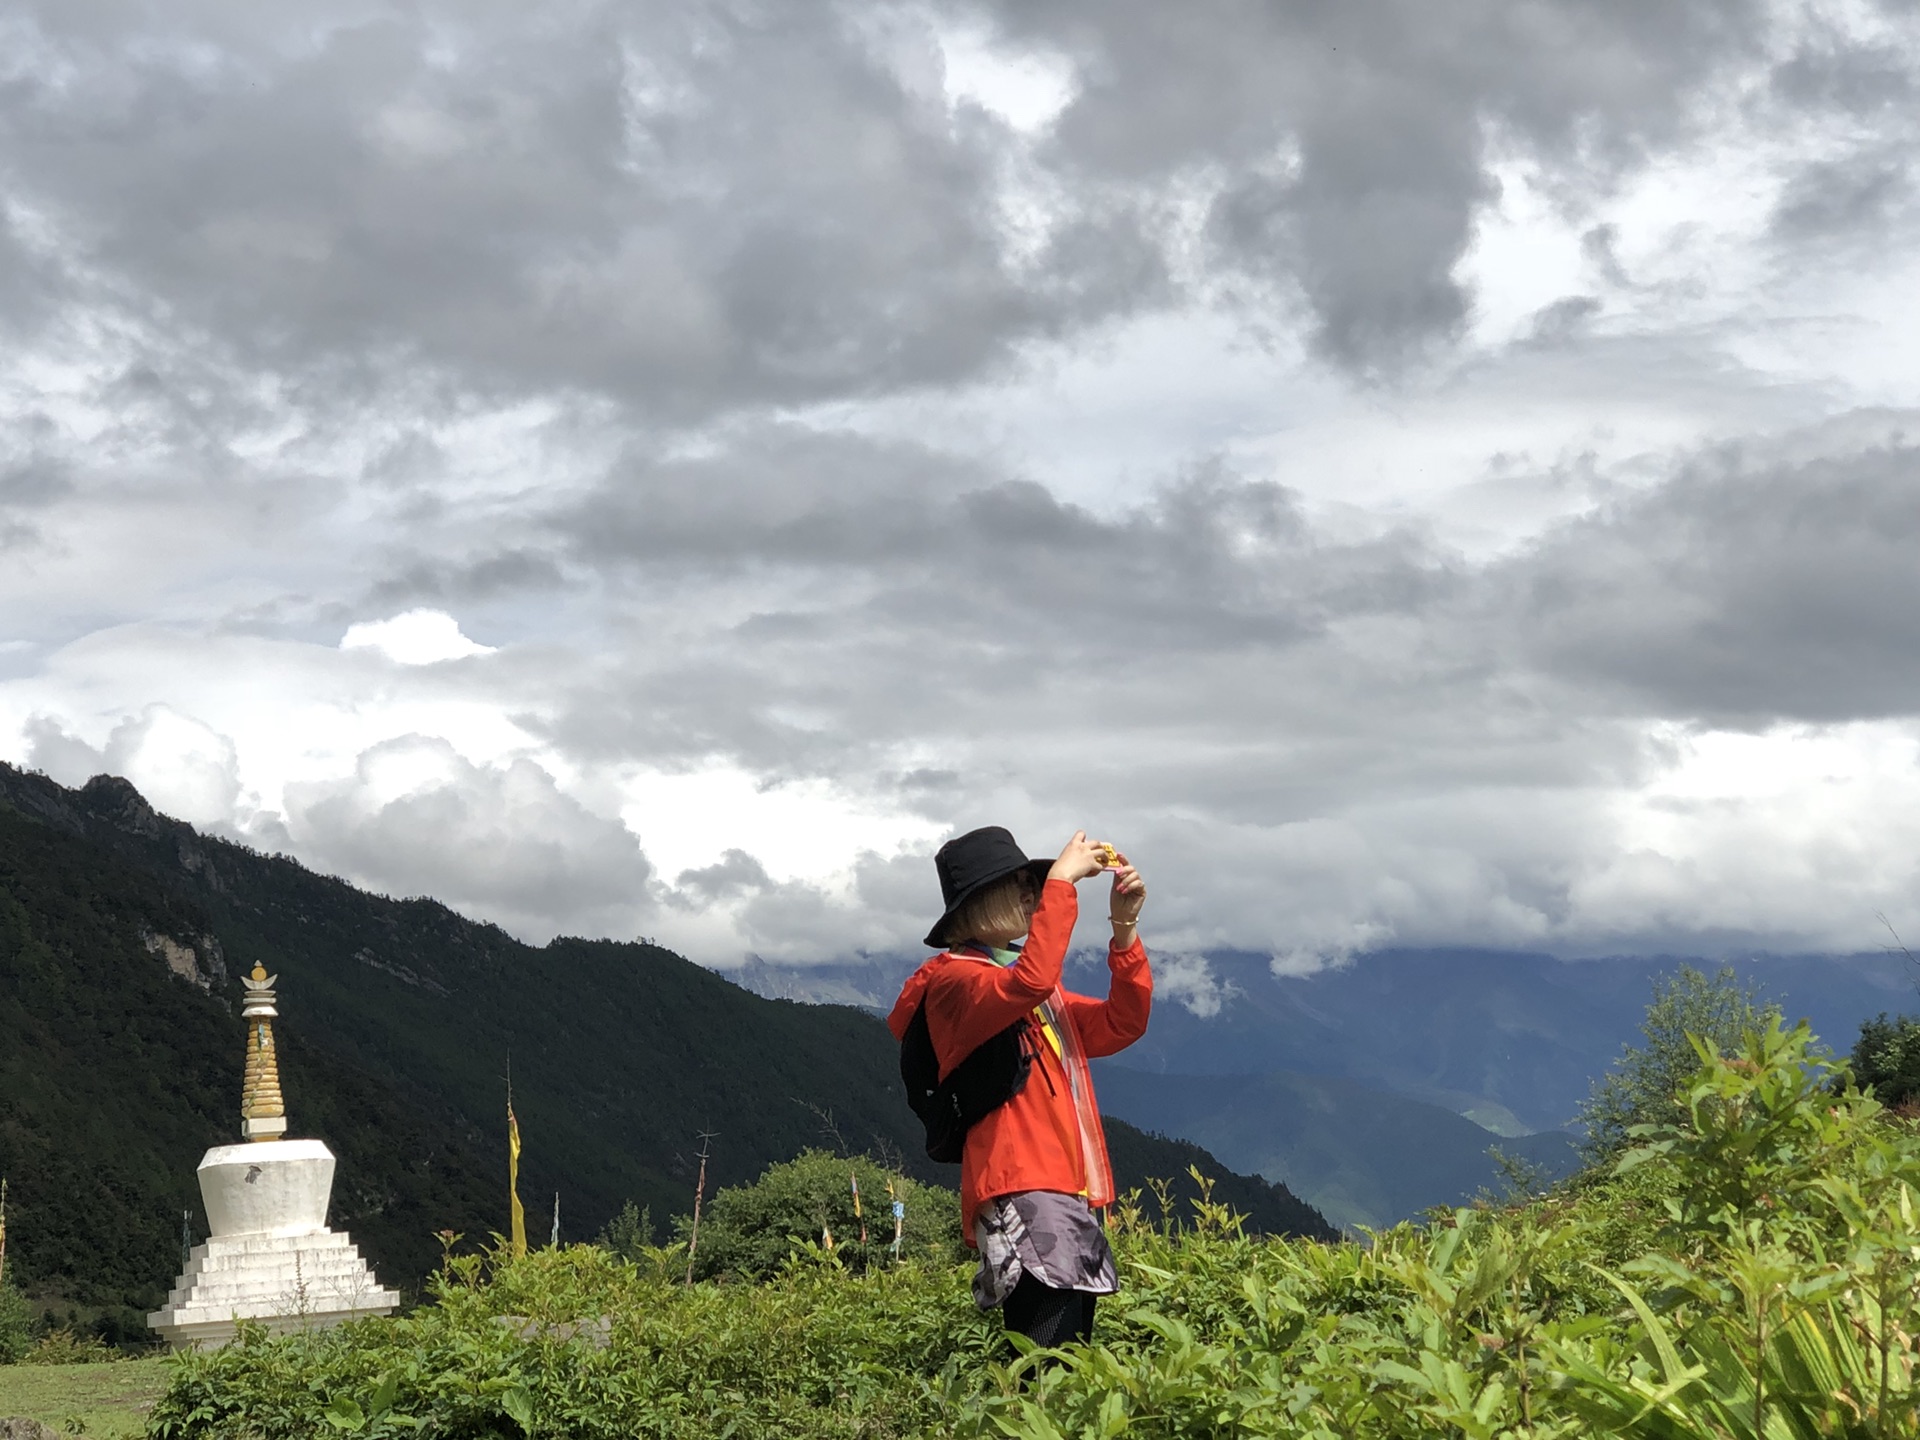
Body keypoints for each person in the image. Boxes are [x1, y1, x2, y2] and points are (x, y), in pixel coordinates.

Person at [887, 825, 1150, 1349]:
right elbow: (1028, 980)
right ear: (981, 903)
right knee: (1046, 1355)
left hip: (1060, 1183)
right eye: (1022, 886)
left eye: (1036, 885)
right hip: (1021, 1181)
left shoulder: (1029, 988)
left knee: (1072, 1351)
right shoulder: (955, 982)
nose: (1033, 895)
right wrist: (1062, 885)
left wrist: (1124, 932)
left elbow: (1122, 1023)